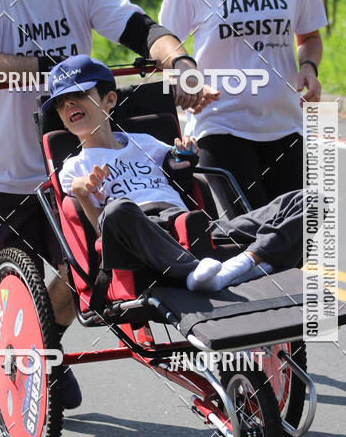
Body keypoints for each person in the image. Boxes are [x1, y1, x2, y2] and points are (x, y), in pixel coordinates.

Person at [0, 0, 215, 409]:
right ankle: (32, 351)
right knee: (17, 294)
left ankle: (43, 347)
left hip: (68, 170)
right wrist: (60, 68)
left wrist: (181, 61)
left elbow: (141, 28)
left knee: (88, 279)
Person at [51, 56, 305, 294]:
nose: (69, 104)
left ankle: (245, 264)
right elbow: (102, 232)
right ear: (63, 119)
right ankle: (194, 271)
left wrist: (184, 159)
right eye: (61, 103)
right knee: (117, 210)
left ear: (110, 100)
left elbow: (180, 172)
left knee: (309, 201)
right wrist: (83, 192)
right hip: (142, 234)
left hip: (191, 226)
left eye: (79, 94)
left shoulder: (146, 142)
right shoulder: (74, 168)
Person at [160, 0, 327, 210]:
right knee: (249, 235)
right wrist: (185, 80)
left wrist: (309, 66)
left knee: (292, 244)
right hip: (220, 124)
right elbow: (165, 44)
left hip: (284, 123)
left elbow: (309, 35)